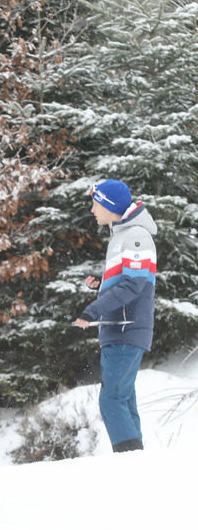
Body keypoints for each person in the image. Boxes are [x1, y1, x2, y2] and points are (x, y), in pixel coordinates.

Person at [73, 180, 157, 452]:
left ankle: (129, 460)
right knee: (123, 399)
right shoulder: (121, 236)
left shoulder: (135, 236)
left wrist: (93, 309)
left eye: (96, 203)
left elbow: (135, 284)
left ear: (110, 205)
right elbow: (127, 278)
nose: (92, 209)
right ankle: (136, 460)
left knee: (111, 401)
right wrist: (104, 282)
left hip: (126, 330)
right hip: (118, 330)